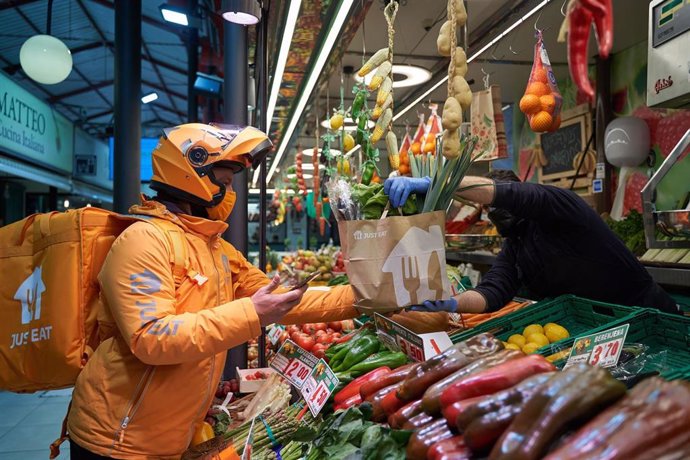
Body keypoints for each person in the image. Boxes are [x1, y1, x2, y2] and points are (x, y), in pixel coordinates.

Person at [66, 123, 358, 459]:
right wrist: (251, 313)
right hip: (117, 438)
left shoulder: (214, 248)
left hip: (168, 435)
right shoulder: (143, 241)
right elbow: (152, 337)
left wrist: (370, 297)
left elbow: (284, 299)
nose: (230, 192)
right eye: (225, 180)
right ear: (193, 170)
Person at [384, 170, 679, 315]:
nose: (496, 213)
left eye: (496, 203)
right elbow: (492, 292)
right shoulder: (516, 243)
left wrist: (438, 183)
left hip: (648, 313)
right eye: (490, 211)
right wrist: (448, 304)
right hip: (600, 328)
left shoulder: (560, 206)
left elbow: (508, 195)